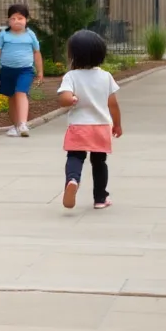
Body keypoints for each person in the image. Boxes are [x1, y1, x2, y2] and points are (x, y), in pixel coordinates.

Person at [57, 30, 122, 210]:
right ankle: (100, 198)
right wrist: (117, 125)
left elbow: (64, 98)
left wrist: (70, 99)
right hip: (101, 127)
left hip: (79, 126)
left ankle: (72, 180)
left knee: (75, 156)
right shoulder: (106, 76)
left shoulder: (71, 76)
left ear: (73, 55)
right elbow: (113, 104)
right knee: (99, 162)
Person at [0, 4, 44, 137]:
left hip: (25, 70)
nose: (16, 21)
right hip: (7, 71)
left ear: (26, 20)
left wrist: (40, 71)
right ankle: (15, 125)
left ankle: (23, 124)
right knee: (12, 97)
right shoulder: (3, 35)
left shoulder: (30, 35)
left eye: (20, 18)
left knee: (21, 92)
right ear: (8, 20)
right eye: (13, 18)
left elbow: (36, 53)